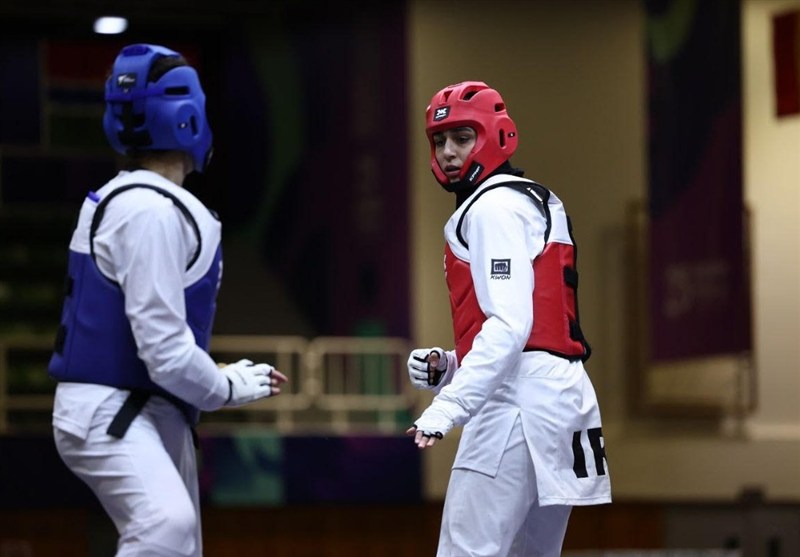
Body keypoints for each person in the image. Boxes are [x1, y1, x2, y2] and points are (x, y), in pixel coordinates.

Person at [48, 43, 288, 557]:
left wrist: (217, 378)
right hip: (115, 406)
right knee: (166, 525)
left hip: (148, 405)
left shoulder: (135, 201)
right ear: (190, 118)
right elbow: (163, 351)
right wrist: (223, 385)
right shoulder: (149, 211)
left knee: (181, 546)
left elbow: (152, 342)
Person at [406, 81, 611, 557]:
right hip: (560, 399)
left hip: (515, 404)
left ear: (498, 136)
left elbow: (510, 327)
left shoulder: (492, 208)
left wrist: (448, 406)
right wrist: (453, 365)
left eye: (462, 138)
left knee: (466, 551)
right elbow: (538, 329)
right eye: (439, 140)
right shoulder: (530, 198)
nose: (448, 152)